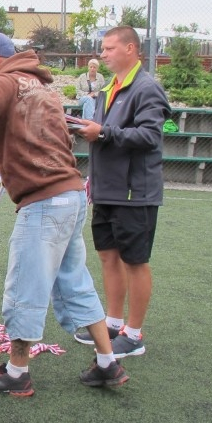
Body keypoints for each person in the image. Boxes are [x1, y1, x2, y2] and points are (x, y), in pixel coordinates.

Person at [0, 33, 128, 397]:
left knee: (24, 288)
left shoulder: (4, 81)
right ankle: (108, 363)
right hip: (70, 195)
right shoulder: (41, 86)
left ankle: (17, 373)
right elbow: (44, 142)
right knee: (75, 282)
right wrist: (2, 168)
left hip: (44, 203)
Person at [74, 26, 171, 359]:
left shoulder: (147, 88)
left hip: (134, 193)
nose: (102, 54)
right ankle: (113, 324)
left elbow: (148, 137)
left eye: (110, 48)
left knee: (135, 261)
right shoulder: (108, 88)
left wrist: (103, 133)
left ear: (131, 49)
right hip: (106, 190)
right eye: (103, 48)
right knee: (108, 257)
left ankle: (134, 333)